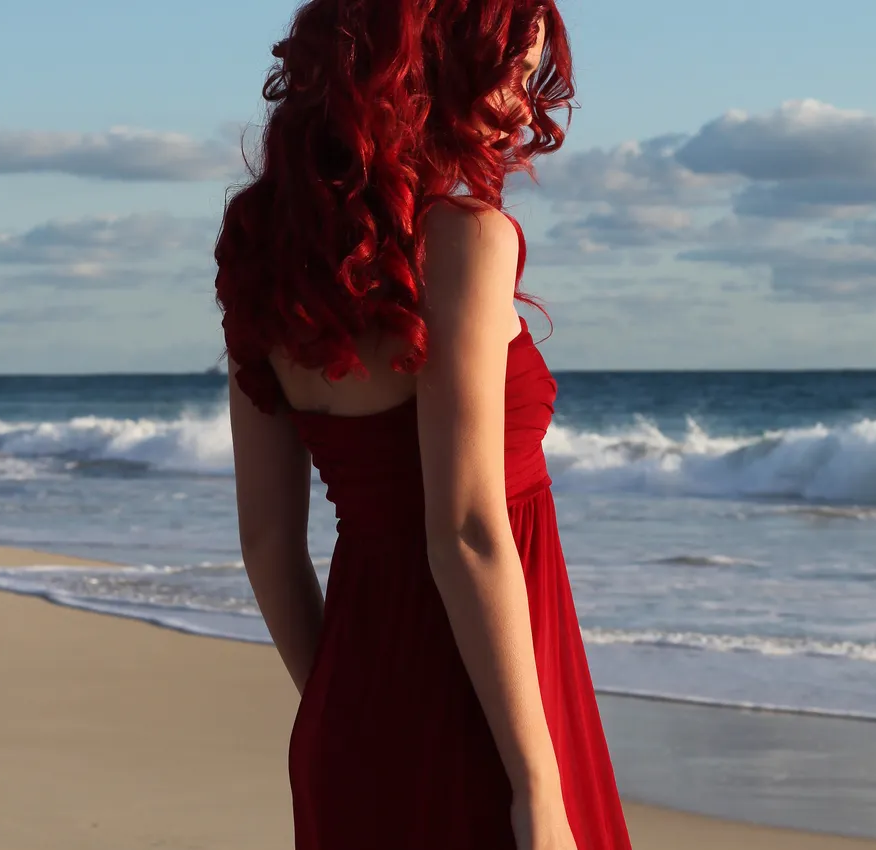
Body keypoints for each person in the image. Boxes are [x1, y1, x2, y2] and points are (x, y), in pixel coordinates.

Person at [214, 1, 632, 847]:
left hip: (350, 710)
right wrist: (536, 788)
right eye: (513, 68)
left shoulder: (266, 260)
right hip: (494, 720)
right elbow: (469, 532)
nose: (524, 100)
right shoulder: (466, 240)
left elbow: (266, 543)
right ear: (435, 62)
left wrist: (349, 706)